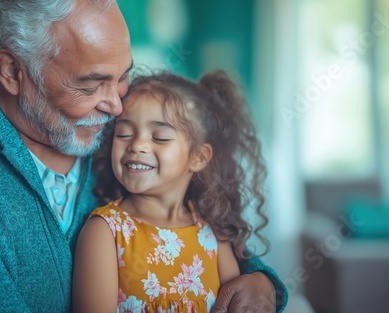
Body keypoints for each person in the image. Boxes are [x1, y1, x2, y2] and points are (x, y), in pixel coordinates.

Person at [0, 0, 287, 312]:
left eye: (123, 77)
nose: (117, 107)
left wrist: (261, 280)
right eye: (91, 84)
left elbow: (189, 218)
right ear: (13, 72)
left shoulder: (114, 132)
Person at [73, 70, 275, 312]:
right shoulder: (105, 231)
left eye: (159, 137)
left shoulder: (213, 234)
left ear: (198, 157)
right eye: (124, 134)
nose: (136, 145)